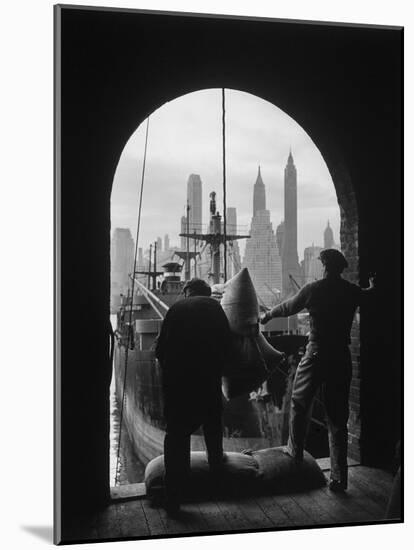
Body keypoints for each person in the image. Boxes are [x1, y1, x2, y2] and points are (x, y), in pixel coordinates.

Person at [260, 249, 375, 492]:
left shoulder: (314, 289)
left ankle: (295, 451)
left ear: (324, 265)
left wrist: (267, 315)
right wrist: (373, 286)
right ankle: (339, 478)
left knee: (300, 403)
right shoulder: (351, 290)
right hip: (340, 357)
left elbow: (288, 306)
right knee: (337, 417)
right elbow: (369, 296)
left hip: (317, 353)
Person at [155, 278, 231, 513]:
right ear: (208, 293)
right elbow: (227, 345)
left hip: (178, 383)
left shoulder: (176, 309)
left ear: (187, 292)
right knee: (213, 429)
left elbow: (160, 351)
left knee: (177, 436)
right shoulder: (216, 308)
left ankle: (173, 499)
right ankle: (219, 484)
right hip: (208, 381)